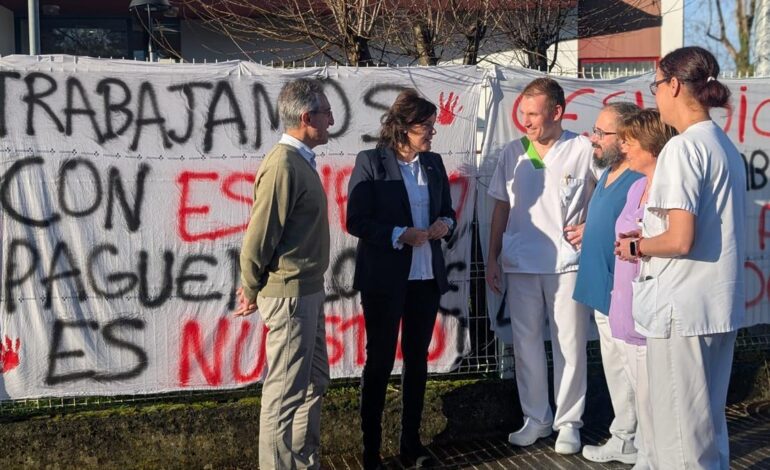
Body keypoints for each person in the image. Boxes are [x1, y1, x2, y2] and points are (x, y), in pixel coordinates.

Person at [615, 46, 746, 469]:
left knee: (680, 442)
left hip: (681, 311)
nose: (654, 96)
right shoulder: (723, 144)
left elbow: (680, 239)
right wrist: (653, 236)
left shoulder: (682, 148)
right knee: (708, 434)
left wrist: (637, 246)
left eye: (655, 85)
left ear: (673, 84)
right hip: (714, 305)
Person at [486, 77, 597, 455]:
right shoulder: (513, 152)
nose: (527, 122)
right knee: (526, 344)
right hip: (520, 263)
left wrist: (591, 224)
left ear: (557, 112)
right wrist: (492, 257)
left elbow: (610, 187)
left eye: (534, 114)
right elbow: (500, 205)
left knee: (569, 343)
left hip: (567, 263)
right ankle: (536, 418)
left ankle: (569, 422)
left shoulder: (582, 148)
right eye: (523, 114)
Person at [347, 89, 456, 470]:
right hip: (384, 279)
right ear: (404, 127)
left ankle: (411, 445)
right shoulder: (371, 162)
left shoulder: (434, 163)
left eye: (432, 125)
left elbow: (448, 210)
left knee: (417, 360)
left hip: (425, 277)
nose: (432, 133)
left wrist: (446, 224)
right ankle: (372, 451)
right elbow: (356, 221)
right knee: (378, 363)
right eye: (426, 125)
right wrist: (399, 234)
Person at [234, 78, 334, 470]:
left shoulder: (300, 161)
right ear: (307, 117)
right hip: (290, 294)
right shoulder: (282, 165)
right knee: (284, 394)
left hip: (307, 290)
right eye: (325, 112)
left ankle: (302, 461)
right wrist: (250, 286)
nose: (331, 119)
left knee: (314, 382)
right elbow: (259, 236)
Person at [573, 102, 643, 465]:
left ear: (627, 137)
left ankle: (637, 440)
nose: (593, 138)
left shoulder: (640, 177)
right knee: (615, 370)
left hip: (623, 294)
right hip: (601, 291)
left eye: (602, 133)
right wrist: (589, 229)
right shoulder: (609, 172)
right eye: (594, 131)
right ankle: (625, 436)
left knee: (632, 372)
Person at [609, 108, 677, 469]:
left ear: (651, 145)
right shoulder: (636, 185)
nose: (623, 147)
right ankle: (646, 454)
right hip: (625, 303)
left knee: (655, 398)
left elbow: (674, 241)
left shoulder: (668, 187)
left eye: (629, 141)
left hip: (650, 310)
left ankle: (653, 459)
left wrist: (641, 243)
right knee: (640, 392)